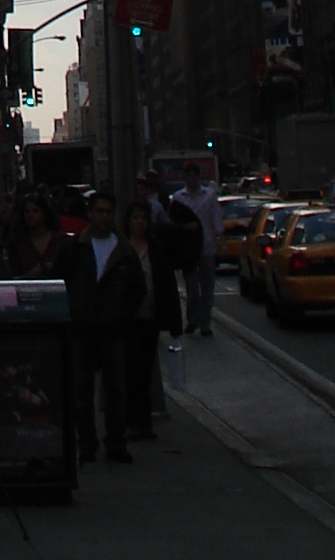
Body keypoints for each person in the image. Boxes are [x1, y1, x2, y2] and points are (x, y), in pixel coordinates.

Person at [63, 193, 143, 464]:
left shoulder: (124, 251)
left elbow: (137, 289)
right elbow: (64, 280)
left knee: (116, 390)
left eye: (109, 212)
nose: (104, 217)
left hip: (112, 328)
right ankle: (86, 443)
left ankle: (116, 443)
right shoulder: (78, 247)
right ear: (91, 214)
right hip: (83, 328)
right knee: (82, 391)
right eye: (100, 212)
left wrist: (122, 315)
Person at [118, 203, 182, 444]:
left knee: (145, 371)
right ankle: (132, 422)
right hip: (128, 317)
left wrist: (172, 320)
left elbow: (167, 285)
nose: (140, 222)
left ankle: (143, 421)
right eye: (136, 218)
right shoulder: (122, 248)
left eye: (144, 218)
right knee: (130, 370)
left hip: (150, 315)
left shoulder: (155, 249)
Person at [172, 166, 220, 336]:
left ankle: (205, 324)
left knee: (207, 288)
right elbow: (173, 223)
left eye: (194, 176)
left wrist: (219, 241)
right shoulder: (178, 198)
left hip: (207, 246)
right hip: (189, 250)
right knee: (192, 288)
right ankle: (192, 319)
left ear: (199, 177)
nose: (192, 179)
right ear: (185, 178)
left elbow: (216, 221)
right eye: (189, 176)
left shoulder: (210, 196)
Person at [3, 191, 64, 281]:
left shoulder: (59, 240)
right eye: (27, 212)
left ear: (44, 213)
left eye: (35, 211)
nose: (30, 215)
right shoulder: (17, 243)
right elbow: (13, 277)